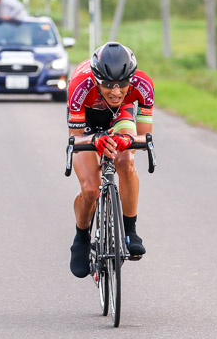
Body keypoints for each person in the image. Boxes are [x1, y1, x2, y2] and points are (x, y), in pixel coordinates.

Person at [66, 42, 154, 278]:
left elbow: (144, 138)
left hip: (121, 114)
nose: (116, 91)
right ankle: (81, 236)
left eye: (122, 84)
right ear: (96, 79)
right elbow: (75, 139)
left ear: (131, 78)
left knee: (126, 163)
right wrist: (96, 139)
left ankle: (130, 231)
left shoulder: (143, 84)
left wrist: (127, 140)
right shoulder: (80, 84)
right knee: (91, 189)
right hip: (86, 120)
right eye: (107, 85)